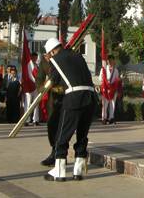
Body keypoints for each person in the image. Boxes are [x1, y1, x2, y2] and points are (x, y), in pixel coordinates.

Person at [41, 38, 96, 182]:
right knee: (82, 135)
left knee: (62, 135)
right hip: (90, 97)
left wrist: (44, 88)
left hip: (73, 98)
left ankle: (59, 171)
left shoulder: (55, 60)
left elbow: (53, 81)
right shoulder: (78, 56)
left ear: (52, 51)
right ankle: (78, 170)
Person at [37, 51, 65, 167]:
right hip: (52, 98)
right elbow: (39, 77)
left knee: (63, 126)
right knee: (51, 125)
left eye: (49, 54)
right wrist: (41, 88)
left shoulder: (62, 59)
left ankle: (60, 155)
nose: (47, 56)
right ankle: (54, 152)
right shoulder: (44, 62)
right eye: (46, 55)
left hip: (66, 96)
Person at [99, 55, 121, 125]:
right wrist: (103, 79)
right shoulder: (103, 69)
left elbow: (117, 80)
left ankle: (111, 118)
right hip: (106, 89)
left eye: (111, 60)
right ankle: (104, 118)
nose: (110, 62)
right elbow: (100, 78)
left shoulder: (116, 70)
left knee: (112, 104)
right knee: (105, 104)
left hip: (113, 89)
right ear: (107, 61)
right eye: (109, 60)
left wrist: (118, 82)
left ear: (114, 61)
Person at [22, 52, 40, 126]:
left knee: (36, 103)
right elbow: (26, 75)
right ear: (31, 57)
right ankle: (26, 119)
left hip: (36, 87)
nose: (35, 59)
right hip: (29, 87)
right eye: (34, 57)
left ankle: (35, 120)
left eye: (36, 57)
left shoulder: (37, 66)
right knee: (28, 103)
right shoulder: (28, 65)